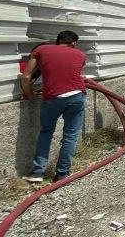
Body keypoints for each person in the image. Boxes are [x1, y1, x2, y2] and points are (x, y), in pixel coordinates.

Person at [20, 30, 87, 183]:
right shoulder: (80, 54)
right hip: (76, 96)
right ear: (74, 43)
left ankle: (37, 172)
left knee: (46, 132)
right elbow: (71, 72)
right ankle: (62, 174)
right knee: (70, 136)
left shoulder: (41, 49)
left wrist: (28, 94)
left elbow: (26, 76)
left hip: (52, 98)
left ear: (58, 40)